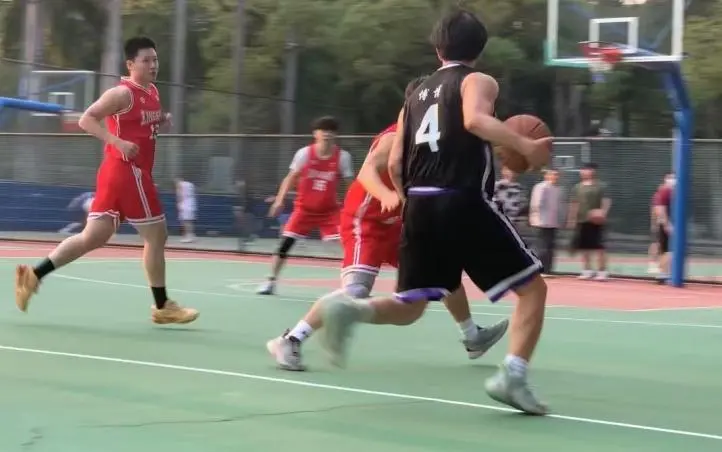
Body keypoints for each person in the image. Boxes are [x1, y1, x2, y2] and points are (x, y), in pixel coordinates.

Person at [316, 10, 551, 415]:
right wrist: (524, 145)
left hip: (419, 203)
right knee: (533, 289)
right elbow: (474, 119)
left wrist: (410, 202)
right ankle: (512, 376)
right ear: (479, 48)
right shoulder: (478, 80)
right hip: (461, 197)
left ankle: (350, 308)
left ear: (438, 48)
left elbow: (395, 163)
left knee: (410, 307)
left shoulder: (414, 95)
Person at [267, 76, 509, 371]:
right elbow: (366, 172)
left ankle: (472, 336)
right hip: (365, 221)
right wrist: (386, 195)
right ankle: (290, 340)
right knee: (355, 293)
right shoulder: (395, 138)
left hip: (397, 224)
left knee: (438, 272)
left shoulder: (435, 139)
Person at [14, 37, 199, 325]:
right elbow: (86, 119)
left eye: (155, 59)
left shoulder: (151, 91)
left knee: (93, 237)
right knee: (157, 235)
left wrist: (160, 120)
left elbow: (140, 123)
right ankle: (163, 306)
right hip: (128, 172)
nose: (153, 65)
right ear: (130, 64)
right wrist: (117, 142)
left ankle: (33, 275)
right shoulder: (121, 94)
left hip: (117, 174)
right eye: (146, 60)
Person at [257, 117, 354, 295]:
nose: (327, 133)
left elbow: (350, 186)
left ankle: (351, 285)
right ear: (315, 133)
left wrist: (353, 207)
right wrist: (279, 200)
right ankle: (270, 281)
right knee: (285, 244)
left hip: (330, 211)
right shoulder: (304, 154)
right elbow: (290, 178)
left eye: (331, 130)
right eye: (323, 130)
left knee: (349, 245)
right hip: (304, 210)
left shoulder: (343, 157)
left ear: (336, 135)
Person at [567, 162, 611, 281]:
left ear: (593, 171)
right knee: (584, 247)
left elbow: (606, 201)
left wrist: (602, 213)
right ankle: (587, 270)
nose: (585, 172)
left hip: (597, 222)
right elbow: (574, 204)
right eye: (583, 170)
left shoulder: (601, 186)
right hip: (582, 220)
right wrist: (571, 219)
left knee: (600, 247)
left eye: (588, 169)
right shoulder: (577, 187)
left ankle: (602, 271)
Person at [529, 169, 562, 274]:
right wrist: (535, 218)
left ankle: (548, 269)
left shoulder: (557, 189)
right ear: (547, 175)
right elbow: (536, 204)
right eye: (553, 174)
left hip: (553, 222)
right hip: (541, 222)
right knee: (541, 246)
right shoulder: (541, 187)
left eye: (557, 175)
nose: (555, 177)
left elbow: (558, 206)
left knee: (550, 246)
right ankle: (538, 269)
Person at [652, 173, 675, 282]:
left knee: (665, 249)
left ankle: (663, 272)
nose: (673, 180)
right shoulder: (665, 191)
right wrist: (666, 224)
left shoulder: (672, 192)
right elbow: (659, 209)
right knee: (666, 249)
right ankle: (663, 273)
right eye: (671, 178)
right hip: (666, 223)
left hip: (668, 223)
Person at [175, 177, 197, 243]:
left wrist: (179, 203)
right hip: (191, 204)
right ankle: (191, 235)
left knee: (185, 222)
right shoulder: (190, 184)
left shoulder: (180, 184)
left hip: (185, 205)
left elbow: (180, 195)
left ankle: (188, 237)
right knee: (188, 222)